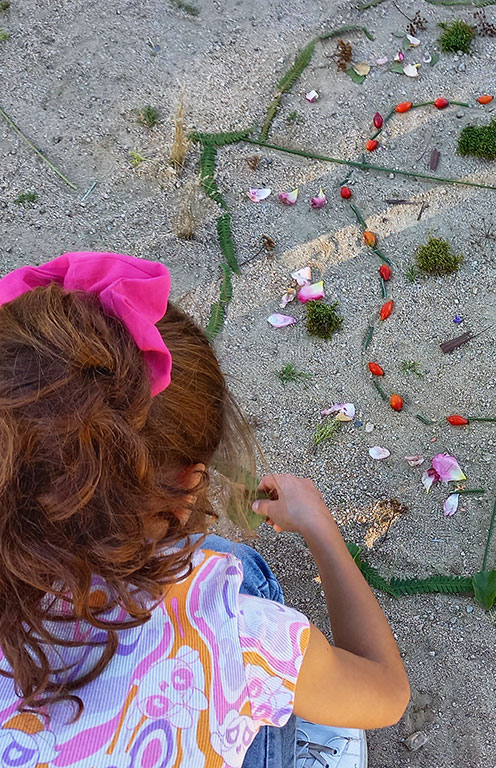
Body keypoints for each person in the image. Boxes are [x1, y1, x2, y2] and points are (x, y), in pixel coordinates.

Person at [0, 252, 409, 768]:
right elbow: (388, 694)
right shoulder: (234, 631)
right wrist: (322, 532)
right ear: (188, 479)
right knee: (243, 572)